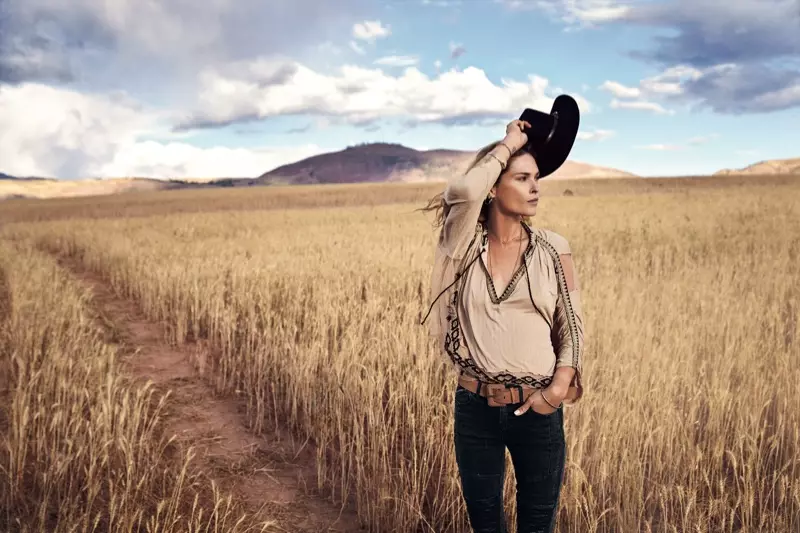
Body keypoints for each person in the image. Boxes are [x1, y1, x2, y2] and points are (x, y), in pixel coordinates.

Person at [419, 97, 586, 533]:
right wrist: (511, 141)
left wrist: (557, 390)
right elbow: (464, 192)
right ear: (495, 185)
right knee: (485, 525)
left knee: (537, 525)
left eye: (537, 179)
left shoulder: (553, 247)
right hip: (475, 408)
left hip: (538, 409)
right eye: (522, 177)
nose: (536, 188)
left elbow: (572, 325)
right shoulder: (462, 246)